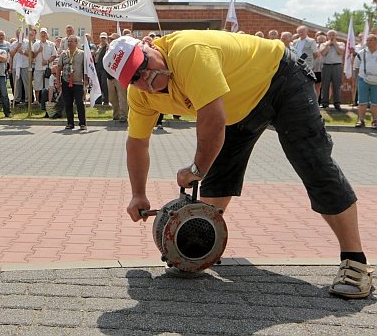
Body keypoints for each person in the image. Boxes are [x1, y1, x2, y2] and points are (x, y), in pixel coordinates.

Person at [103, 31, 372, 299]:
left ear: (149, 45)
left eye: (144, 64)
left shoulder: (188, 52)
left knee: (313, 163)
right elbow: (137, 143)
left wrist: (196, 169)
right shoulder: (141, 97)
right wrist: (138, 193)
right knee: (216, 179)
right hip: (235, 106)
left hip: (280, 80)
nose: (146, 78)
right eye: (134, 78)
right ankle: (198, 246)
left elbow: (212, 120)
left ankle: (355, 263)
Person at [57, 34, 87, 130]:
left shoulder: (82, 54)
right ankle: (70, 123)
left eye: (71, 41)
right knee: (68, 103)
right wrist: (58, 81)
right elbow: (59, 68)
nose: (69, 43)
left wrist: (86, 80)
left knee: (79, 102)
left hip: (78, 82)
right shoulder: (64, 54)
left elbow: (86, 68)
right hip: (66, 81)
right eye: (68, 41)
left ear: (76, 43)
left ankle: (82, 123)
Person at [353, 34, 377, 129]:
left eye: (370, 40)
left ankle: (375, 120)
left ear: (376, 41)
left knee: (375, 102)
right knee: (362, 102)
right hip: (363, 79)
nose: (368, 42)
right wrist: (359, 79)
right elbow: (356, 67)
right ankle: (361, 120)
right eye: (367, 40)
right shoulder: (361, 53)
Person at [319, 30, 345, 111]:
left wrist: (335, 44)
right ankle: (324, 103)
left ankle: (337, 103)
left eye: (333, 35)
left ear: (336, 36)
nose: (331, 36)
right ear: (327, 36)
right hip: (326, 66)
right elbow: (323, 53)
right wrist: (328, 45)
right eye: (330, 35)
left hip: (337, 66)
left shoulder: (341, 44)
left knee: (336, 85)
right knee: (325, 85)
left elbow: (340, 52)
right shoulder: (323, 44)